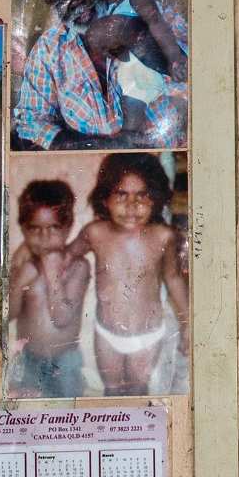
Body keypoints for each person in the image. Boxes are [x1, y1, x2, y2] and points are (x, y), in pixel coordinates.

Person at [79, 154, 190, 395]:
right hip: (107, 333)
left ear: (156, 199)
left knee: (138, 387)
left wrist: (188, 323)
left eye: (142, 195)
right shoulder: (95, 232)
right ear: (105, 198)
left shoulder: (163, 236)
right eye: (121, 195)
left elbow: (173, 278)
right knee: (112, 388)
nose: (132, 205)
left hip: (147, 336)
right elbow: (68, 257)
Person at [13, 0, 142, 149]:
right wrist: (91, 146)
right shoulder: (48, 49)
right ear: (54, 7)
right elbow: (31, 120)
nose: (75, 1)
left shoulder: (141, 15)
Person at [90, 0, 191, 148]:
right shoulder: (109, 9)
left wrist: (174, 57)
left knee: (177, 105)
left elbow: (156, 22)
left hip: (159, 63)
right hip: (137, 74)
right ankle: (131, 136)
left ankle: (177, 135)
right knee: (132, 105)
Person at [7, 179, 91, 398]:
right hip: (29, 359)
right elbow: (9, 314)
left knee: (70, 416)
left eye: (53, 227)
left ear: (68, 227)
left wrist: (51, 268)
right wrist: (18, 280)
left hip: (65, 362)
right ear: (23, 229)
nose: (44, 237)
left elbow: (62, 317)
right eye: (35, 229)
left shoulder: (78, 266)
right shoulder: (24, 263)